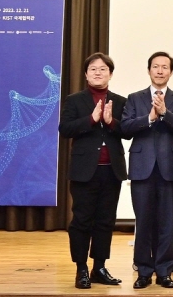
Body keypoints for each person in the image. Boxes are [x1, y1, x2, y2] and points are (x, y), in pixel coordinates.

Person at [58, 52, 126, 289]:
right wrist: (91, 119)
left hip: (112, 171)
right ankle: (81, 269)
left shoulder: (120, 101)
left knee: (105, 221)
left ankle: (99, 267)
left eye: (103, 69)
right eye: (93, 69)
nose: (98, 73)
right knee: (82, 221)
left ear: (110, 74)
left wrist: (110, 121)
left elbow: (127, 131)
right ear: (86, 74)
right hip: (84, 171)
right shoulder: (75, 100)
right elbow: (65, 129)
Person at [121, 52, 173, 289]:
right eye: (156, 67)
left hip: (168, 168)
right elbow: (125, 128)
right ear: (149, 70)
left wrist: (164, 113)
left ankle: (164, 271)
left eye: (165, 67)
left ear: (171, 71)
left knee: (167, 223)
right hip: (142, 168)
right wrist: (149, 117)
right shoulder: (134, 98)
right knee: (144, 222)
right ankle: (143, 271)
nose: (160, 71)